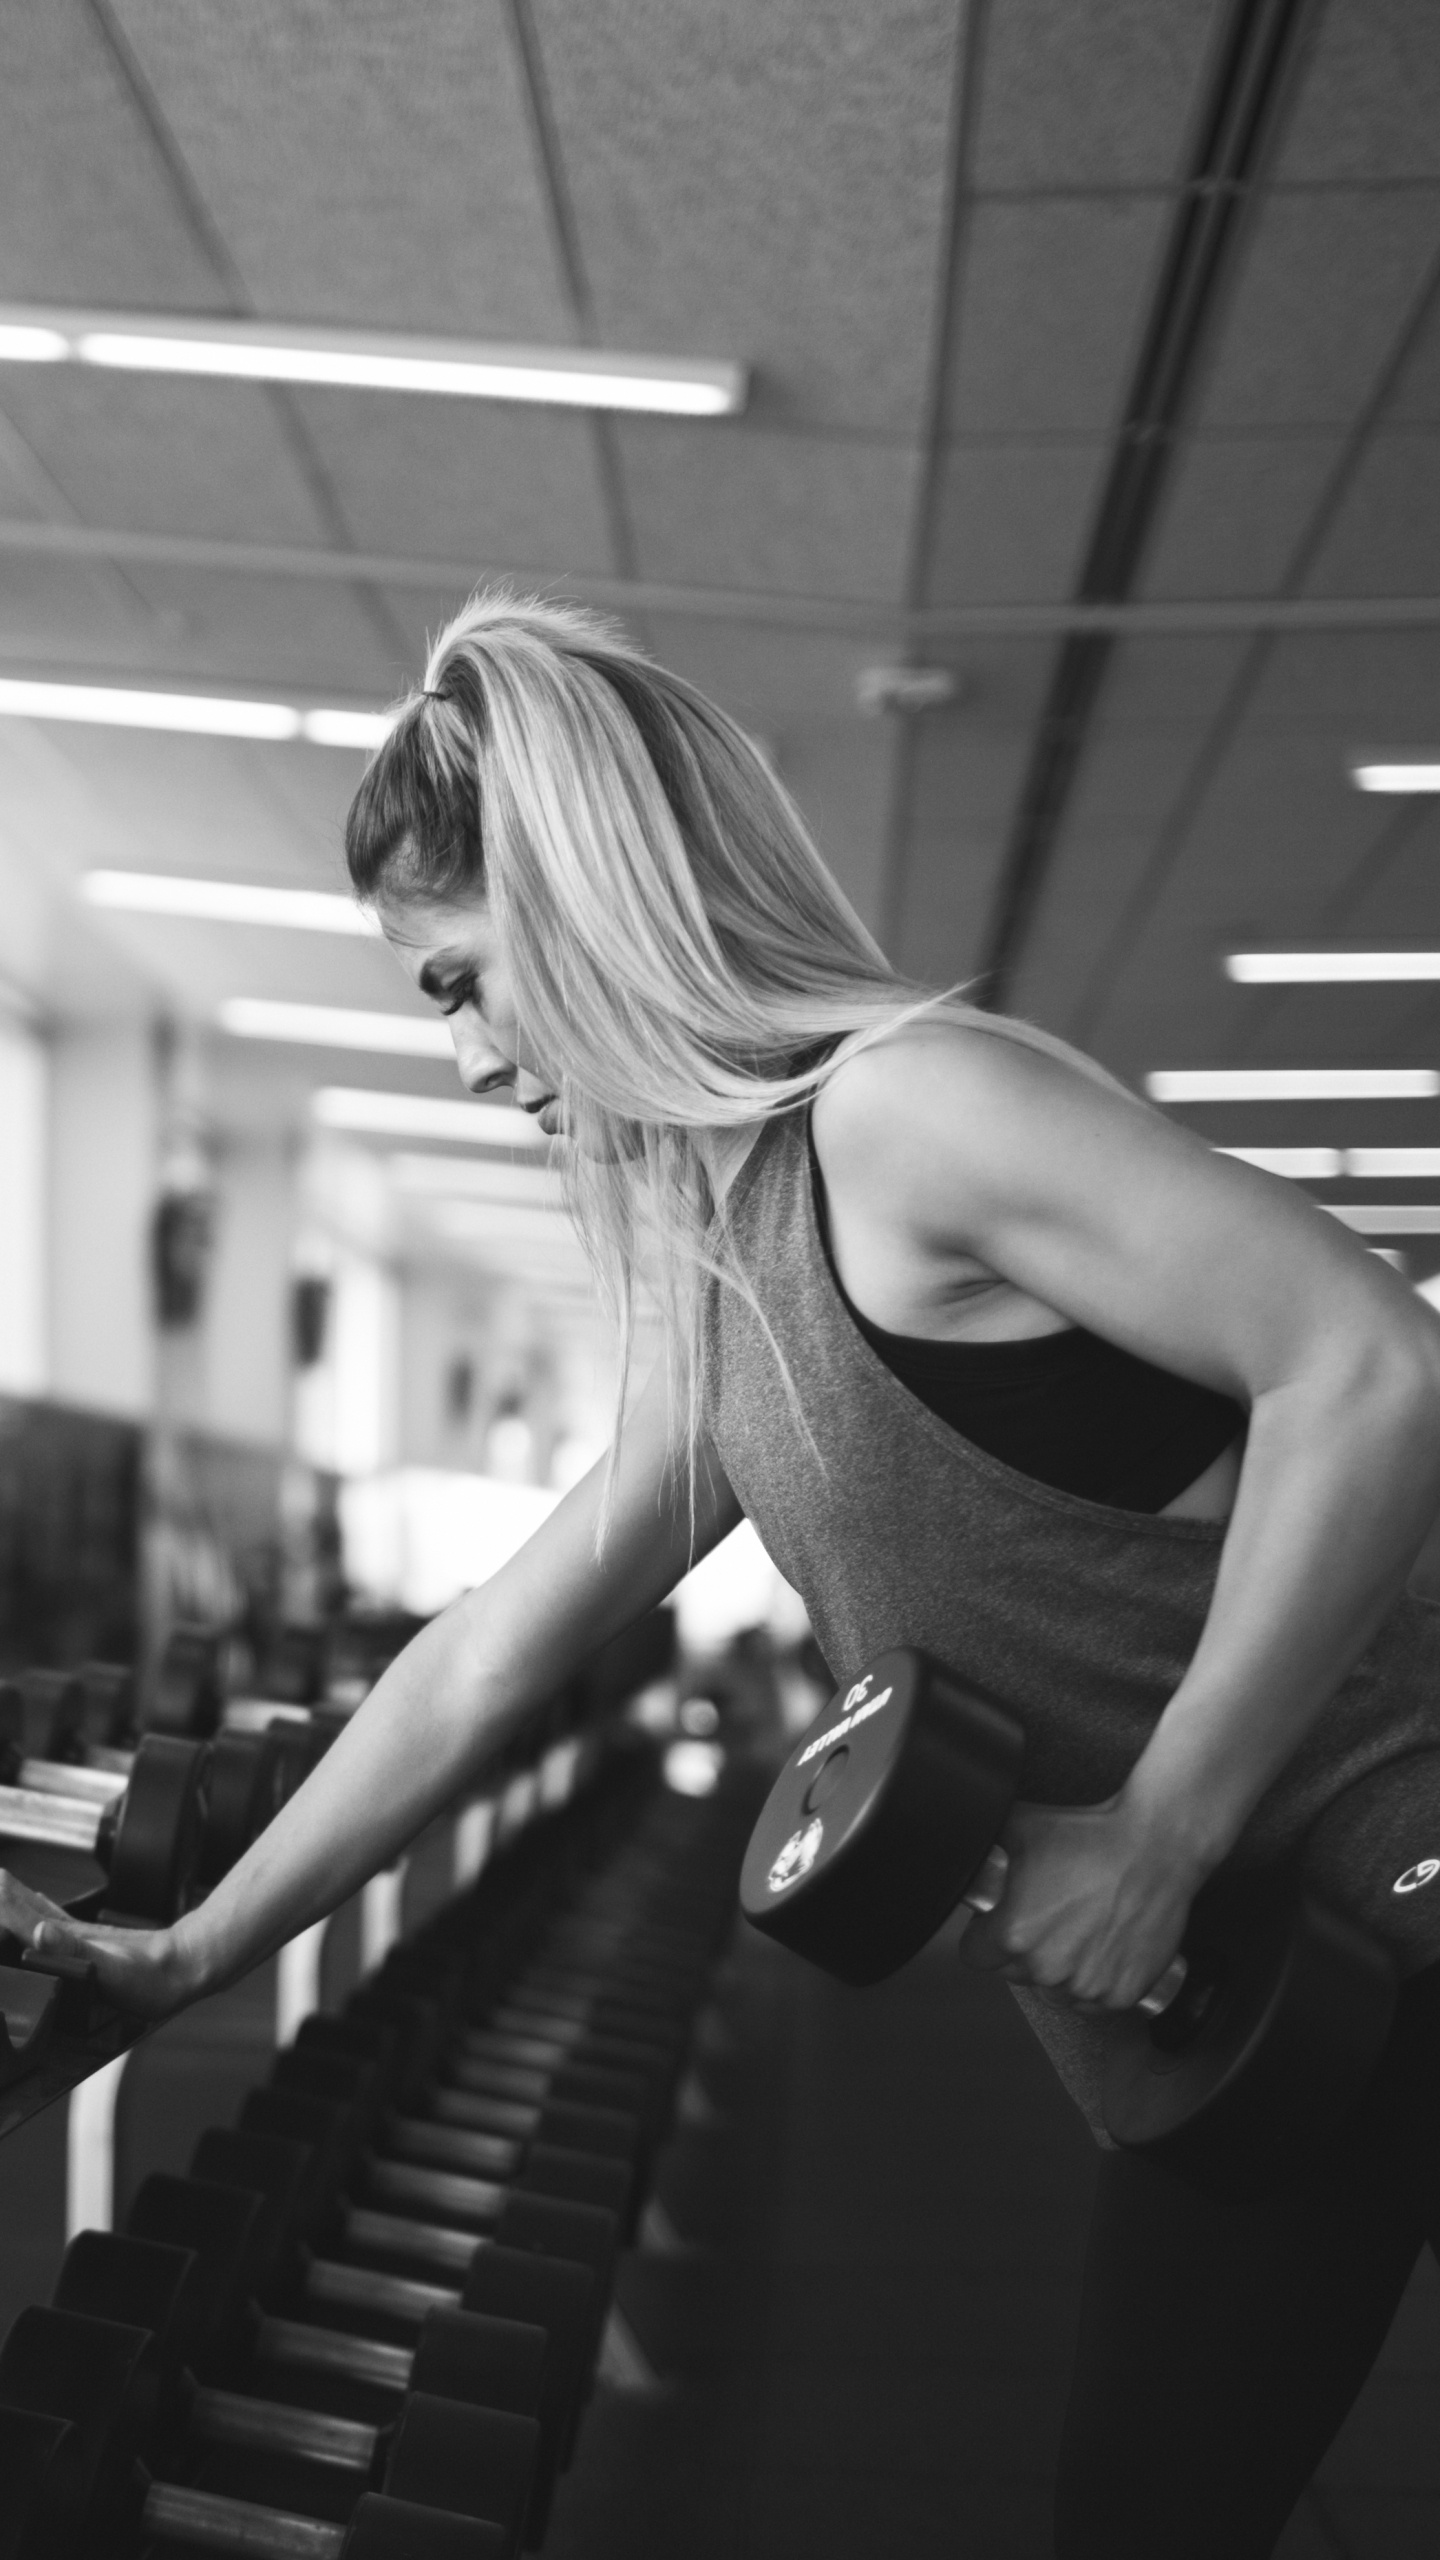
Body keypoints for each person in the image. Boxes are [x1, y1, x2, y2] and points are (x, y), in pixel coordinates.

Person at [11, 592, 1440, 2555]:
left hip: (1387, 1897)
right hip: (1279, 2006)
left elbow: (1367, 1359)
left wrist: (1167, 1824)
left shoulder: (905, 1109)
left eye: (456, 981)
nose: (459, 1056)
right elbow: (492, 1650)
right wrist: (188, 1949)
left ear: (585, 905)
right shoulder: (735, 1255)